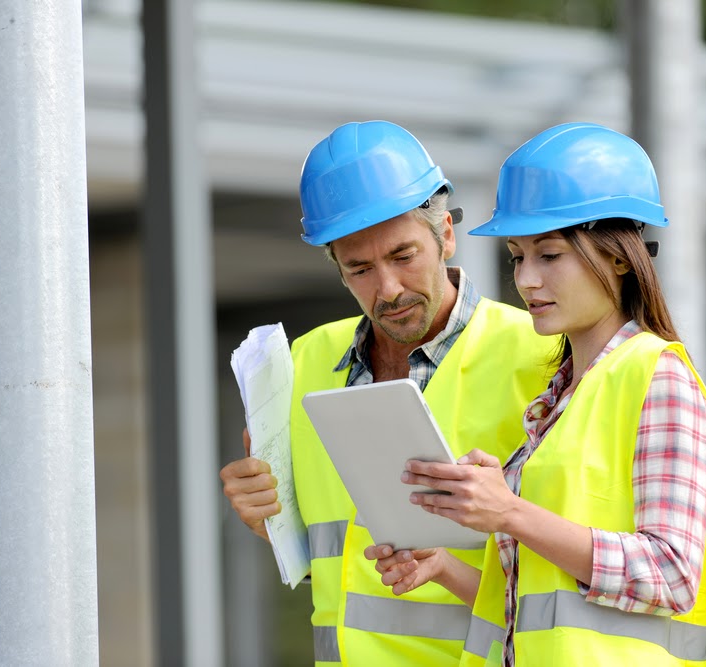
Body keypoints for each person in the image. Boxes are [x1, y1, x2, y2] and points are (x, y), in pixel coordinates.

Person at [366, 123, 706, 666]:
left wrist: (509, 512)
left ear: (620, 257)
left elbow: (670, 575)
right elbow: (544, 614)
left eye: (549, 256)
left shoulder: (657, 375)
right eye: (517, 257)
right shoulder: (556, 404)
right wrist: (443, 565)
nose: (526, 279)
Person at [219, 120, 556, 667]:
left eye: (403, 256)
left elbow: (563, 577)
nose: (389, 289)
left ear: (446, 234)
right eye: (360, 268)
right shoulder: (302, 365)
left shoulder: (542, 358)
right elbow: (324, 551)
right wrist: (268, 518)